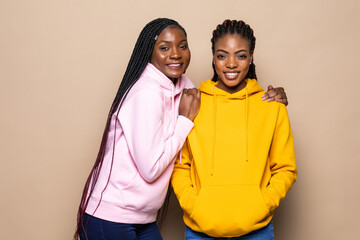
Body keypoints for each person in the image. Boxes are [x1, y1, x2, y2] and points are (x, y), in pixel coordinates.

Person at [74, 18, 288, 240]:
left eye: (182, 46)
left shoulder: (183, 86)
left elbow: (216, 97)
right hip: (112, 214)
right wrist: (196, 207)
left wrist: (273, 96)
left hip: (143, 217)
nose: (175, 54)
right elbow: (151, 168)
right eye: (164, 47)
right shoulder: (145, 94)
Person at [171, 19, 297, 240]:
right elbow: (180, 166)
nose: (231, 64)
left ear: (251, 58)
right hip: (201, 230)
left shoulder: (272, 106)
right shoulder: (193, 103)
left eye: (240, 55)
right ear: (213, 58)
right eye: (222, 56)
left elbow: (286, 168)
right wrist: (196, 206)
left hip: (256, 231)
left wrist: (261, 205)